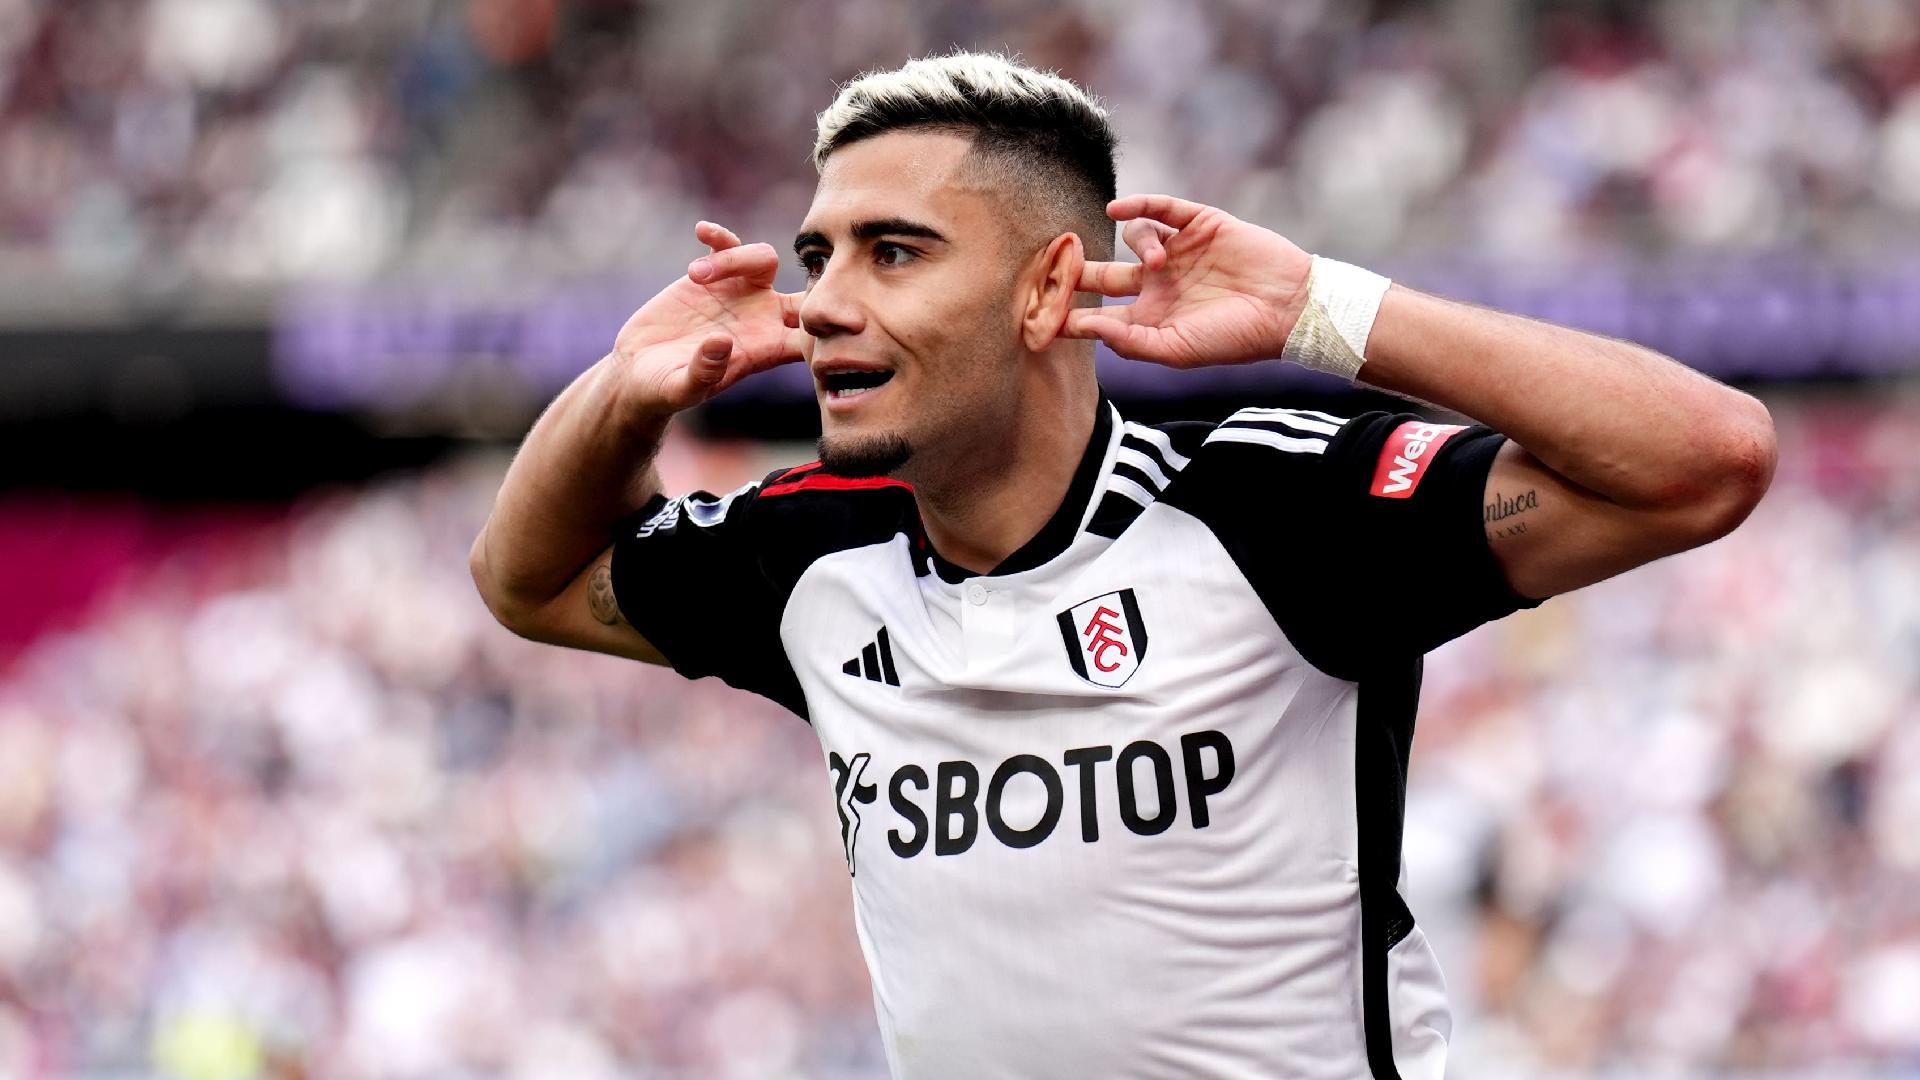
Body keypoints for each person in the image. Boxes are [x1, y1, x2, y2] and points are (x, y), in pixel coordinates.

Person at [469, 50, 1776, 1080]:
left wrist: (1324, 311)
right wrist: (624, 396)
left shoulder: (1273, 503)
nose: (822, 301)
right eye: (818, 256)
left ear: (1046, 292)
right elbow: (525, 580)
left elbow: (1707, 459)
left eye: (895, 251)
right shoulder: (812, 547)